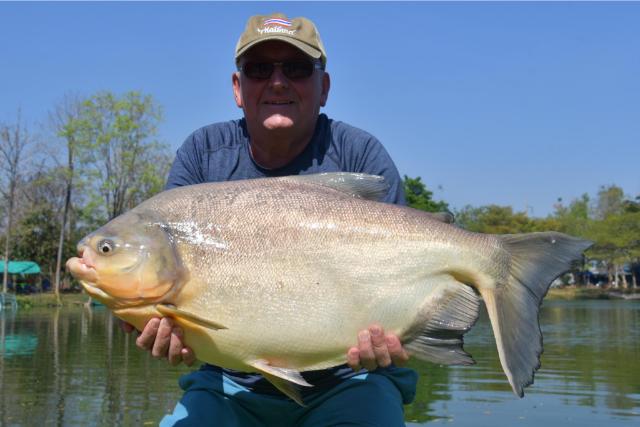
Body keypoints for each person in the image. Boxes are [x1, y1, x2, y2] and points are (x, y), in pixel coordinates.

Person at [124, 12, 418, 426]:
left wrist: (403, 333)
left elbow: (407, 282)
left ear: (324, 87)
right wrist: (158, 328)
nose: (277, 82)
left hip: (352, 379)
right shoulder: (203, 154)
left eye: (296, 68)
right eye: (259, 69)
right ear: (237, 87)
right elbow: (158, 287)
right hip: (229, 384)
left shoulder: (359, 153)